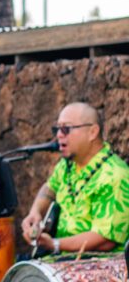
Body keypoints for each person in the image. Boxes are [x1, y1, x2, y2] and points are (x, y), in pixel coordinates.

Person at [21, 102, 129, 257]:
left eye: (66, 129)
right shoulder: (67, 165)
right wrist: (35, 212)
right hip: (61, 260)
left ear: (92, 132)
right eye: (57, 129)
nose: (59, 135)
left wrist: (55, 244)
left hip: (95, 267)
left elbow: (105, 240)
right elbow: (50, 187)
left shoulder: (115, 176)